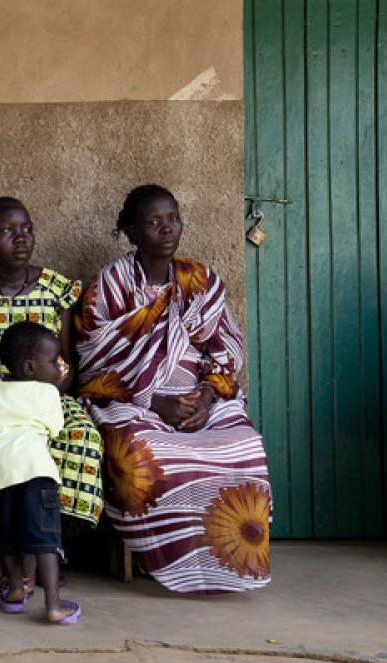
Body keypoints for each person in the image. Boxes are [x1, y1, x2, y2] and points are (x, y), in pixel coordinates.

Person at [77, 184, 271, 594]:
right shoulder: (107, 287)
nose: (167, 229)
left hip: (199, 395)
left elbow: (225, 347)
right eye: (153, 222)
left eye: (173, 218)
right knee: (144, 452)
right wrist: (154, 400)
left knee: (244, 447)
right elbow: (95, 365)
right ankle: (168, 558)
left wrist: (205, 397)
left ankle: (227, 560)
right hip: (129, 399)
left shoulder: (199, 280)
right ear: (131, 231)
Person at [0, 196, 104, 589]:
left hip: (46, 397)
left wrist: (47, 394)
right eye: (7, 231)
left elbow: (66, 363)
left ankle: (40, 548)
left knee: (80, 439)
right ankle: (8, 550)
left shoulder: (57, 290)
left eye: (26, 229)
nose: (21, 238)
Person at [0, 322, 80, 624]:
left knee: (7, 536)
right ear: (30, 367)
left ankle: (15, 589)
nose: (60, 367)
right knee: (45, 539)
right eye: (55, 362)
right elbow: (55, 428)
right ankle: (53, 604)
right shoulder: (48, 393)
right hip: (34, 470)